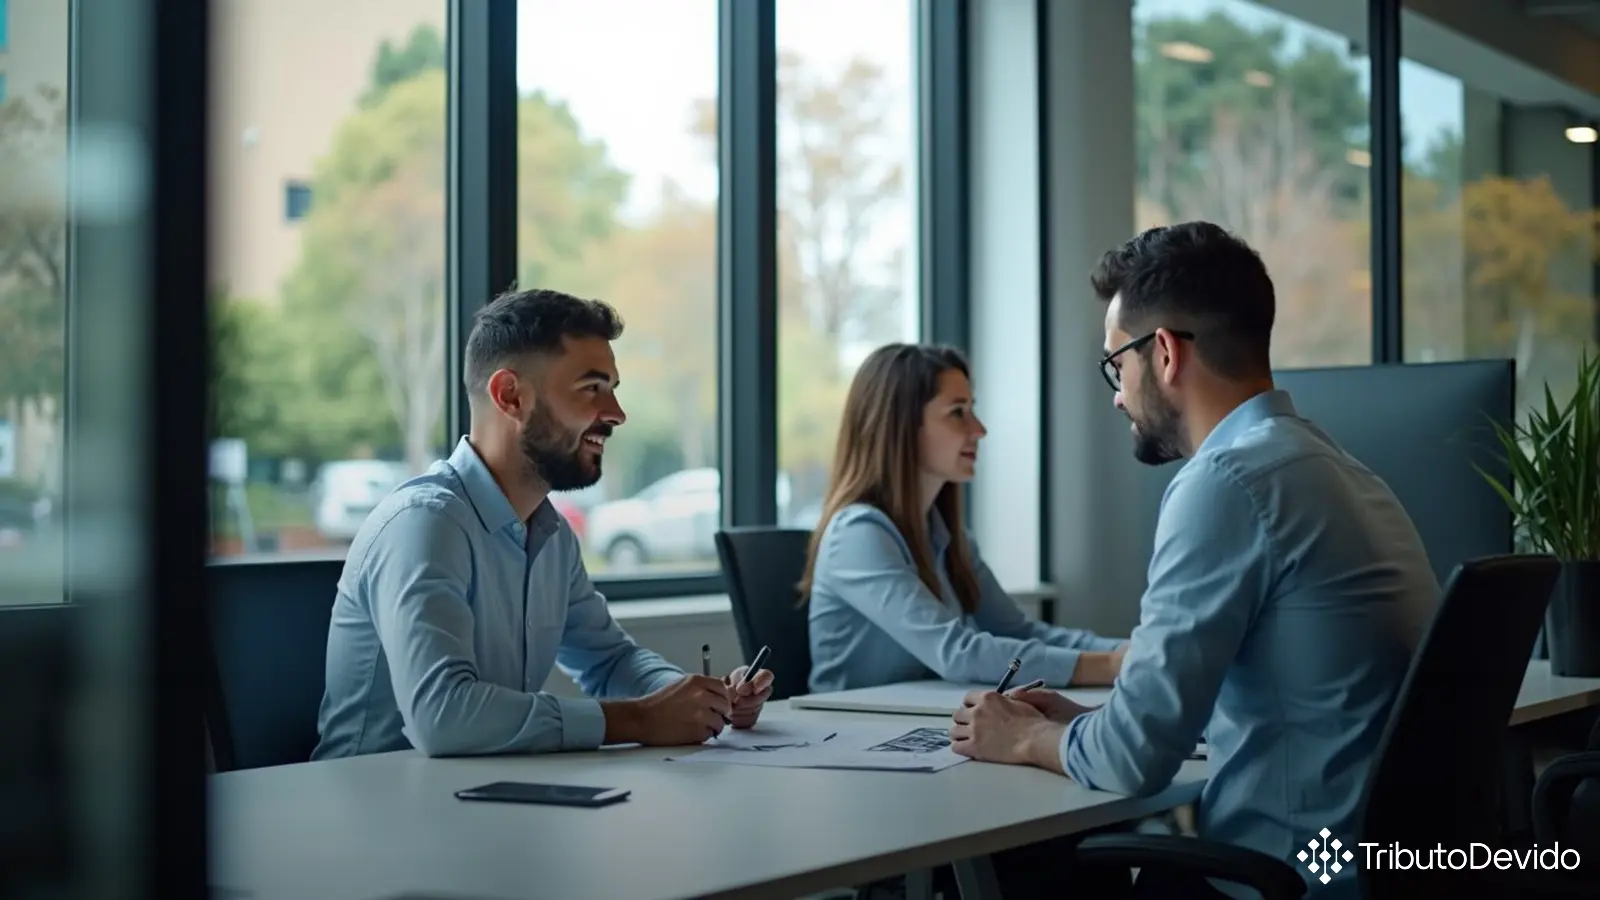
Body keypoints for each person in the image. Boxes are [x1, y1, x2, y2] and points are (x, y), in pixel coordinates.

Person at [947, 222, 1439, 900]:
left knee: (1039, 872)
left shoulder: (1227, 483)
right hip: (1374, 866)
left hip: (1293, 875)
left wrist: (1027, 738)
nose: (1118, 394)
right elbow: (1287, 698)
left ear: (1167, 353)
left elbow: (1132, 760)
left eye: (1116, 365)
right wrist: (1080, 723)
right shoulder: (1339, 470)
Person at [312, 288, 773, 760]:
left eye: (612, 388)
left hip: (479, 801)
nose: (616, 413)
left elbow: (610, 660)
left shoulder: (549, 534)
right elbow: (443, 717)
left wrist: (698, 700)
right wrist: (640, 719)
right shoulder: (425, 524)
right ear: (510, 395)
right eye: (592, 388)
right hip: (373, 811)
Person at [801, 342, 1127, 695]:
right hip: (851, 735)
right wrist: (1113, 665)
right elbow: (958, 653)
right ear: (901, 427)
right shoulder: (857, 534)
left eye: (973, 409)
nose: (979, 429)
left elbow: (1020, 633)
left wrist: (1128, 652)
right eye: (958, 412)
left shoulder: (946, 535)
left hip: (914, 722)